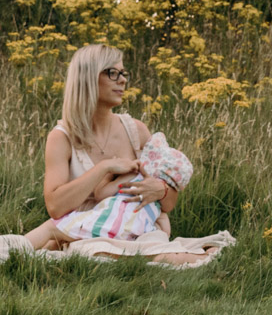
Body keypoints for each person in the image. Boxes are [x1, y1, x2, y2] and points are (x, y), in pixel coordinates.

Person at [37, 45, 214, 265]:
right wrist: (103, 168)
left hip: (140, 230)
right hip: (88, 231)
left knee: (114, 251)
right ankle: (166, 257)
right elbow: (55, 207)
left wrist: (162, 189)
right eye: (112, 73)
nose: (122, 80)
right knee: (92, 252)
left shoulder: (136, 131)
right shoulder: (61, 138)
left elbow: (168, 204)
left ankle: (156, 254)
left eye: (123, 73)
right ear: (87, 77)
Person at [26, 128, 192, 251]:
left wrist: (109, 172)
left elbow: (100, 194)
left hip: (105, 224)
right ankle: (38, 252)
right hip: (130, 236)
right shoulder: (154, 200)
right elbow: (164, 228)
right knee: (59, 241)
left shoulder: (130, 179)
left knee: (52, 228)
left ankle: (15, 249)